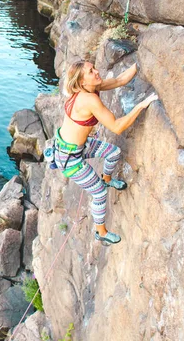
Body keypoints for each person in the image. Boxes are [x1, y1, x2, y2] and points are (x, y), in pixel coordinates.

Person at [54, 60, 158, 244]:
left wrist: (140, 60)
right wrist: (142, 105)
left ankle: (107, 179)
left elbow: (119, 80)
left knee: (114, 152)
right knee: (99, 193)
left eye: (93, 67)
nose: (96, 71)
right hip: (69, 159)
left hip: (76, 148)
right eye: (90, 71)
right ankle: (100, 233)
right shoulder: (88, 99)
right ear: (81, 82)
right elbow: (117, 127)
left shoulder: (89, 88)